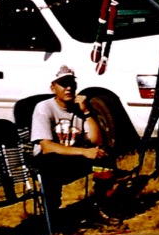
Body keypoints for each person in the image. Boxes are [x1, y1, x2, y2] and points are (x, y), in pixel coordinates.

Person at [29, 66, 107, 212]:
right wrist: (84, 152)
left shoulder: (80, 108)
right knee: (49, 163)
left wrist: (87, 112)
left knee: (104, 156)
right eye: (64, 84)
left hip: (72, 158)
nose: (69, 88)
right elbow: (46, 147)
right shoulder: (44, 107)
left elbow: (96, 141)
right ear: (53, 88)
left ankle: (103, 204)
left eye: (72, 84)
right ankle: (51, 213)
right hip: (48, 160)